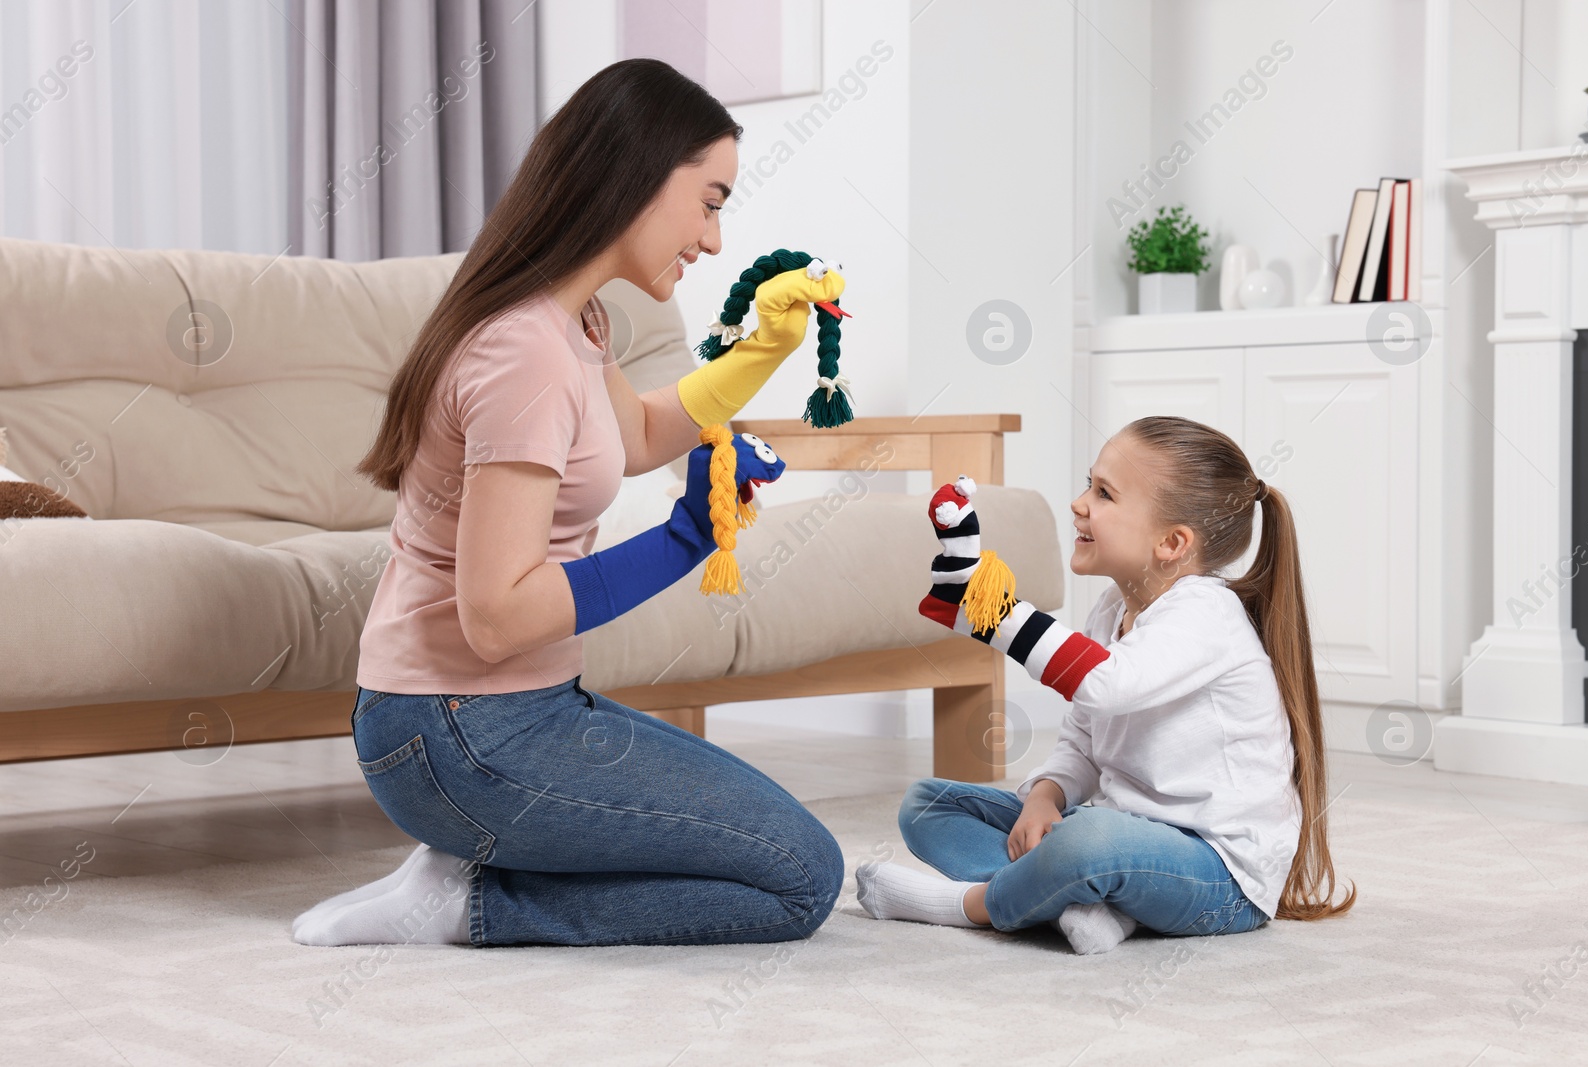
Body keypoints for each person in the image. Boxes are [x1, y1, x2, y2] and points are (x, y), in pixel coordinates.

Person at [291, 58, 846, 948]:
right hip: (456, 729)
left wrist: (764, 349)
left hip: (519, 710)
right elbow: (500, 617)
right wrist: (686, 536)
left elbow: (633, 440)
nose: (711, 240)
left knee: (783, 853)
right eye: (708, 201)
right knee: (800, 879)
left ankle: (469, 858)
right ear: (634, 172)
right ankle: (470, 901)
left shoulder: (574, 322)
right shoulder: (526, 352)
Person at [854, 416, 1356, 953]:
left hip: (1219, 874)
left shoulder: (1207, 613)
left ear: (1172, 542)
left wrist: (993, 610)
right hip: (1123, 838)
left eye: (1104, 493)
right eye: (1087, 484)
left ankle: (971, 906)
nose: (1079, 503)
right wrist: (1045, 797)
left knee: (1088, 841)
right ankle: (1084, 902)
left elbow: (1107, 685)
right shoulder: (1111, 610)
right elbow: (1084, 739)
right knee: (929, 804)